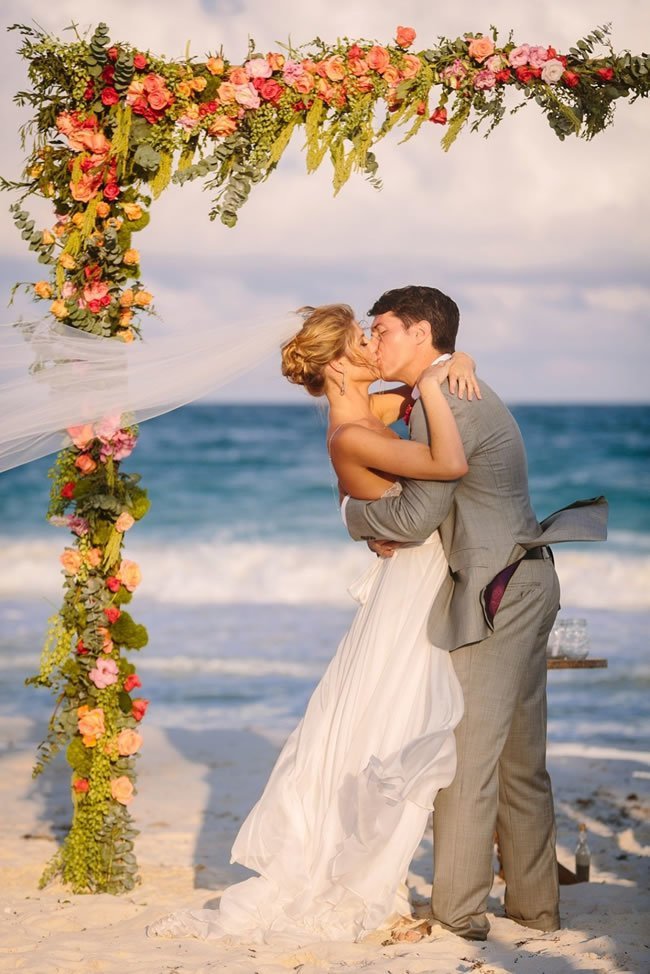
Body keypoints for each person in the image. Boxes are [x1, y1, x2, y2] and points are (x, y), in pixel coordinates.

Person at [146, 303, 480, 944]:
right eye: (362, 339)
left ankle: (382, 866)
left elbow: (428, 375)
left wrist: (454, 364)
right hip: (410, 586)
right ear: (335, 361)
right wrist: (434, 389)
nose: (372, 347)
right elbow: (449, 465)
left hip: (417, 578)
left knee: (390, 719)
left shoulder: (373, 407)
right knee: (395, 723)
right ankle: (358, 875)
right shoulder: (350, 430)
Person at [342, 285, 608, 942]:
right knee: (519, 759)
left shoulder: (444, 401)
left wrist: (354, 515)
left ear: (420, 334)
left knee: (467, 757)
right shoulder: (447, 387)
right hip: (527, 581)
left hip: (499, 591)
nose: (373, 342)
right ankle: (535, 908)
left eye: (381, 330)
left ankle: (459, 914)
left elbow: (415, 516)